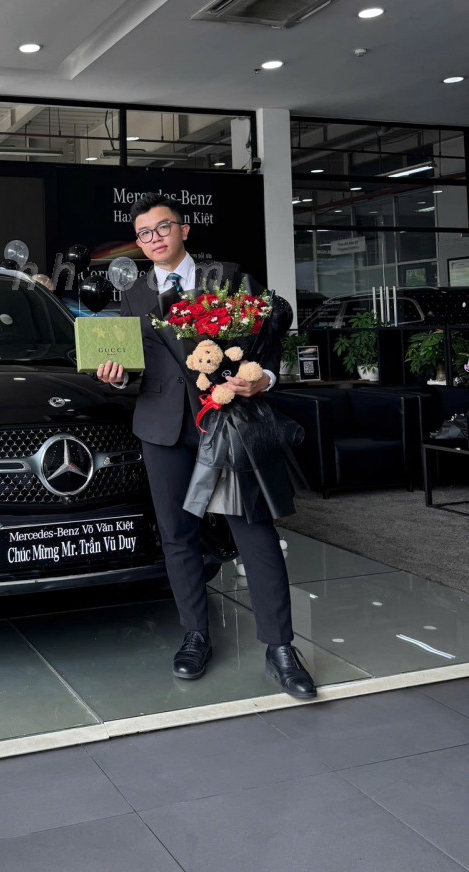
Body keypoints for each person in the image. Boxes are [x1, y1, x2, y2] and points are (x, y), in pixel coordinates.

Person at [96, 192, 315, 699]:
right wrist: (115, 376)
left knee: (253, 531)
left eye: (163, 227)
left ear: (184, 229)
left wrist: (263, 379)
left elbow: (268, 344)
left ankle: (281, 647)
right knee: (177, 535)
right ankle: (195, 635)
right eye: (145, 233)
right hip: (163, 430)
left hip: (227, 423)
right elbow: (133, 370)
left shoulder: (229, 279)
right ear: (139, 242)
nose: (154, 239)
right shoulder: (133, 296)